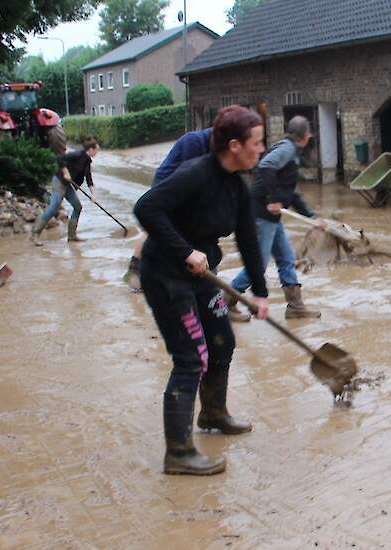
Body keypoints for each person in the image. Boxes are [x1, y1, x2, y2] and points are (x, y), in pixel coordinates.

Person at [134, 105, 270, 476]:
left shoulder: (238, 186)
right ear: (234, 145)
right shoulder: (195, 174)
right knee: (191, 358)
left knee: (222, 340)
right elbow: (146, 208)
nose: (261, 149)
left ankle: (212, 413)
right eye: (256, 143)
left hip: (201, 276)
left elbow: (248, 239)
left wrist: (260, 292)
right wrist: (185, 251)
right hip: (166, 274)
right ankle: (178, 453)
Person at [227, 115, 323, 322]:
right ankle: (226, 302)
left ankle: (295, 307)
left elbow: (291, 193)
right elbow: (265, 166)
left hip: (271, 217)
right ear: (306, 136)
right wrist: (272, 199)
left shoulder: (290, 151)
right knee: (258, 264)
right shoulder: (287, 150)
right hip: (262, 214)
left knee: (286, 259)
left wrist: (311, 217)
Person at [123, 127, 213, 290]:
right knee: (154, 227)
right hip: (167, 182)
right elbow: (188, 174)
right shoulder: (193, 141)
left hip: (181, 185)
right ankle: (134, 270)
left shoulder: (215, 146)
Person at [31, 137, 99, 245]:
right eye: (96, 149)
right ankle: (35, 234)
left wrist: (93, 194)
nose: (97, 152)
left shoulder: (87, 161)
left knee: (78, 207)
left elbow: (89, 178)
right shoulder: (77, 154)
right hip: (59, 181)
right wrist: (65, 171)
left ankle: (72, 236)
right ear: (90, 150)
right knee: (54, 207)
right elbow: (59, 158)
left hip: (68, 185)